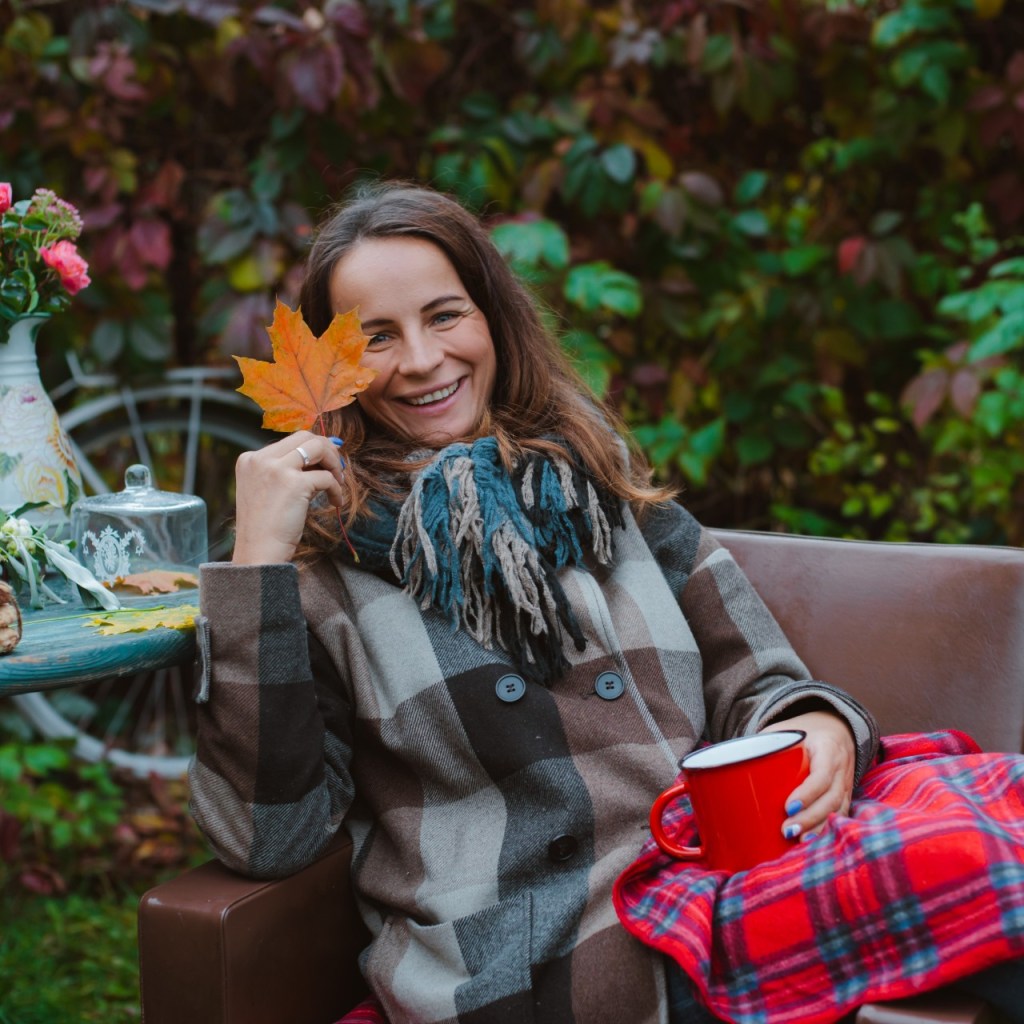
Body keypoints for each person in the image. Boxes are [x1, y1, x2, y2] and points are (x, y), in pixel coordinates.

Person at [191, 179, 927, 1024]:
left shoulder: (605, 489)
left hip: (704, 892)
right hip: (527, 970)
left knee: (978, 859)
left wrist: (819, 725)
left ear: (494, 319)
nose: (423, 360)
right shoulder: (314, 573)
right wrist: (256, 567)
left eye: (445, 315)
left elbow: (757, 678)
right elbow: (267, 837)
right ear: (333, 370)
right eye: (377, 337)